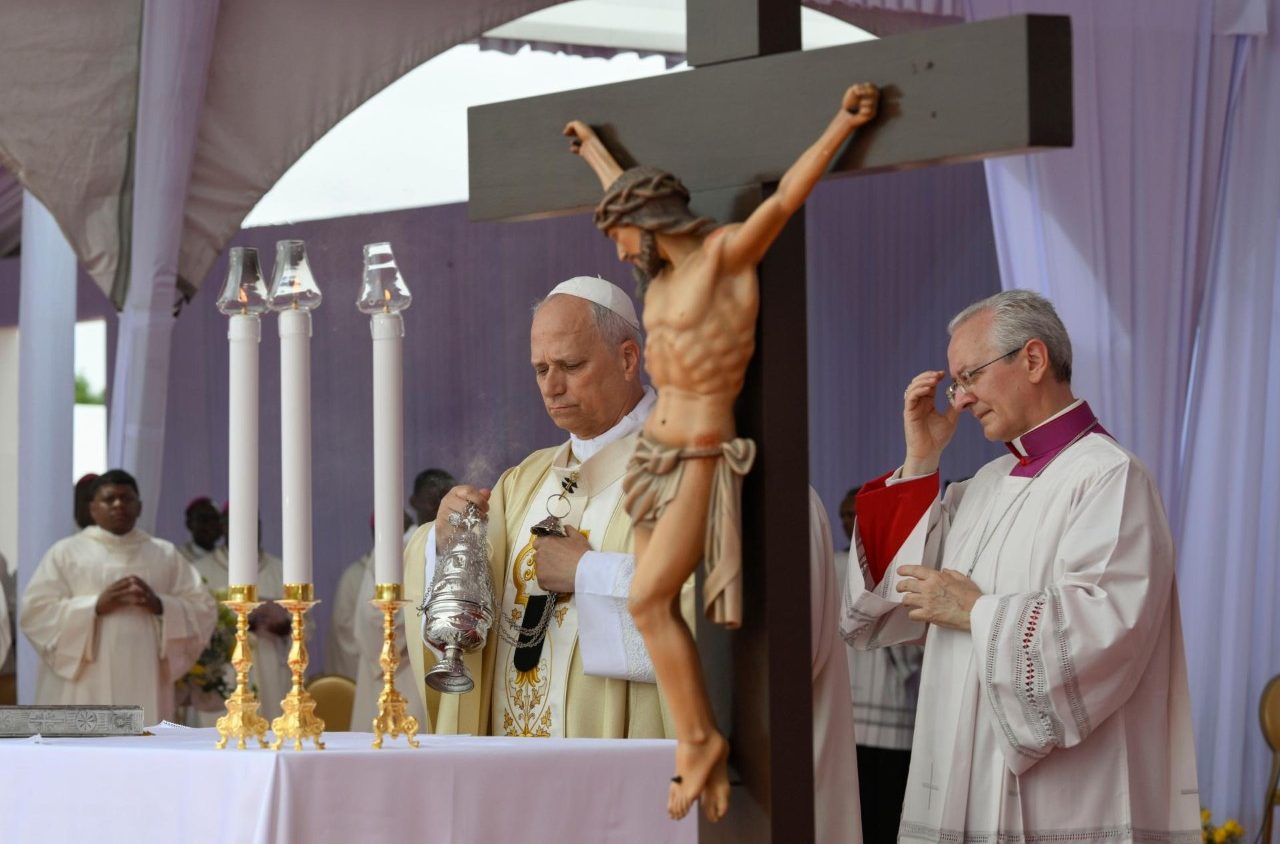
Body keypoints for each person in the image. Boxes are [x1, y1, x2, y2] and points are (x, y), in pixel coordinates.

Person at [565, 82, 881, 820]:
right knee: (650, 602)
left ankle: (699, 741)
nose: (619, 250)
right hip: (654, 456)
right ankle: (698, 737)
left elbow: (786, 199)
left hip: (701, 453)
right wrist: (593, 152)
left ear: (649, 221)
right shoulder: (658, 281)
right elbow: (623, 190)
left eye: (621, 234)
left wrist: (841, 121)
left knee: (648, 598)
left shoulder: (725, 259)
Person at [840, 290, 1200, 841]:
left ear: (1033, 359)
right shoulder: (983, 485)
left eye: (969, 376)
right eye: (956, 384)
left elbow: (1107, 630)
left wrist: (976, 612)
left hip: (1066, 794)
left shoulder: (1108, 476)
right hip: (960, 771)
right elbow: (884, 606)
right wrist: (921, 461)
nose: (960, 399)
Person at [404, 276, 683, 740]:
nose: (552, 387)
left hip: (618, 766)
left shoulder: (688, 471)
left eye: (571, 365)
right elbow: (460, 607)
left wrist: (587, 573)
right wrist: (445, 541)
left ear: (628, 358)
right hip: (514, 762)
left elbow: (713, 617)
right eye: (540, 369)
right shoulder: (522, 483)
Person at [20, 470, 217, 724]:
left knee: (144, 740)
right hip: (85, 682)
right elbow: (35, 612)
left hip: (145, 674)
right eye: (109, 499)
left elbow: (203, 608)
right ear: (93, 508)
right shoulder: (66, 553)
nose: (118, 505)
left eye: (126, 498)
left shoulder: (163, 554)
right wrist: (94, 607)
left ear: (139, 507)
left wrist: (161, 605)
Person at [838, 485, 923, 843]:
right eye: (845, 515)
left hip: (892, 708)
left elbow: (916, 636)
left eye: (855, 515)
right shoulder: (835, 563)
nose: (849, 522)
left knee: (886, 817)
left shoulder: (904, 567)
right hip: (848, 713)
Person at [190, 510, 293, 721]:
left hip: (271, 665)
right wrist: (238, 619)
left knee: (272, 726)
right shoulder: (200, 570)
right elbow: (192, 621)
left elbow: (305, 624)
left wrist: (285, 626)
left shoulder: (282, 571)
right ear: (224, 527)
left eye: (254, 524)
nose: (248, 530)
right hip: (225, 670)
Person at [407, 468, 456, 536]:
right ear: (414, 502)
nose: (442, 509)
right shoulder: (404, 541)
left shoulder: (461, 538)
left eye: (450, 503)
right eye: (433, 501)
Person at [177, 496, 223, 566]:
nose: (210, 525)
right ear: (189, 524)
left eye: (215, 519)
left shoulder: (228, 558)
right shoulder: (177, 558)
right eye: (204, 519)